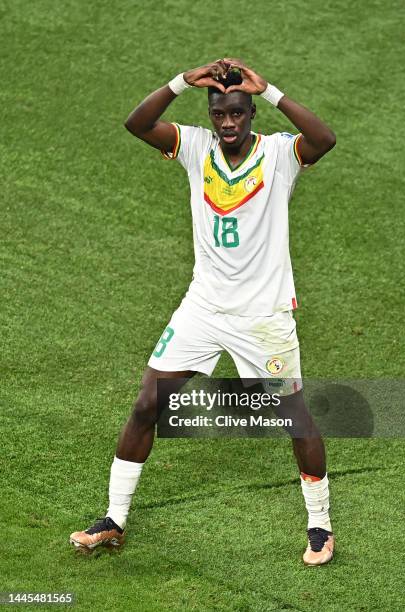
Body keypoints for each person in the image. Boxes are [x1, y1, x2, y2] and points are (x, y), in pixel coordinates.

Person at [70, 58, 336, 565]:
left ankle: (320, 525)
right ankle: (114, 518)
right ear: (211, 114)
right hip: (205, 307)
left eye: (238, 113)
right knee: (148, 401)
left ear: (251, 113)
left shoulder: (279, 154)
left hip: (264, 318)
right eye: (220, 114)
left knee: (294, 419)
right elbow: (137, 124)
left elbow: (324, 139)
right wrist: (180, 82)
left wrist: (273, 90)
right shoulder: (195, 147)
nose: (228, 123)